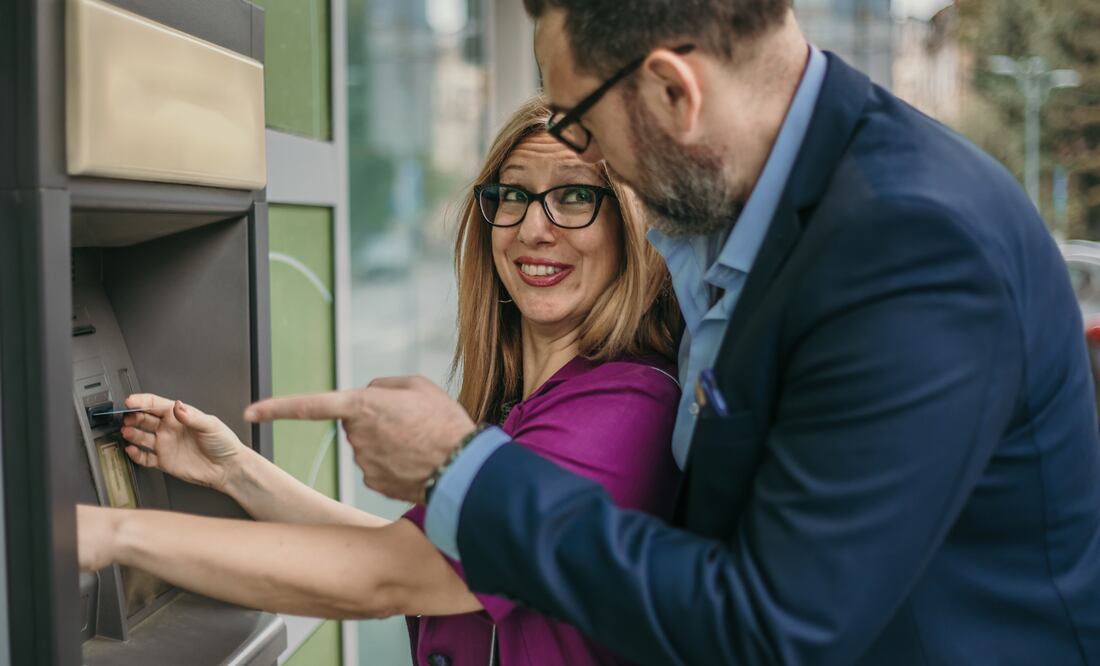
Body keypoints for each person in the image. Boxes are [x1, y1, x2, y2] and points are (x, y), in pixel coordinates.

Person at [243, 1, 1100, 665]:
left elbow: (774, 632)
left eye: (579, 121)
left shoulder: (910, 245)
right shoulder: (761, 226)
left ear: (672, 92)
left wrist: (462, 468)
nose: (588, 160)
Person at [77, 97, 685, 665]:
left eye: (576, 196)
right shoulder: (528, 405)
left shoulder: (627, 408)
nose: (533, 229)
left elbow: (389, 574)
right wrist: (234, 471)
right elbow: (417, 555)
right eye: (513, 195)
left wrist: (112, 531)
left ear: (628, 227)